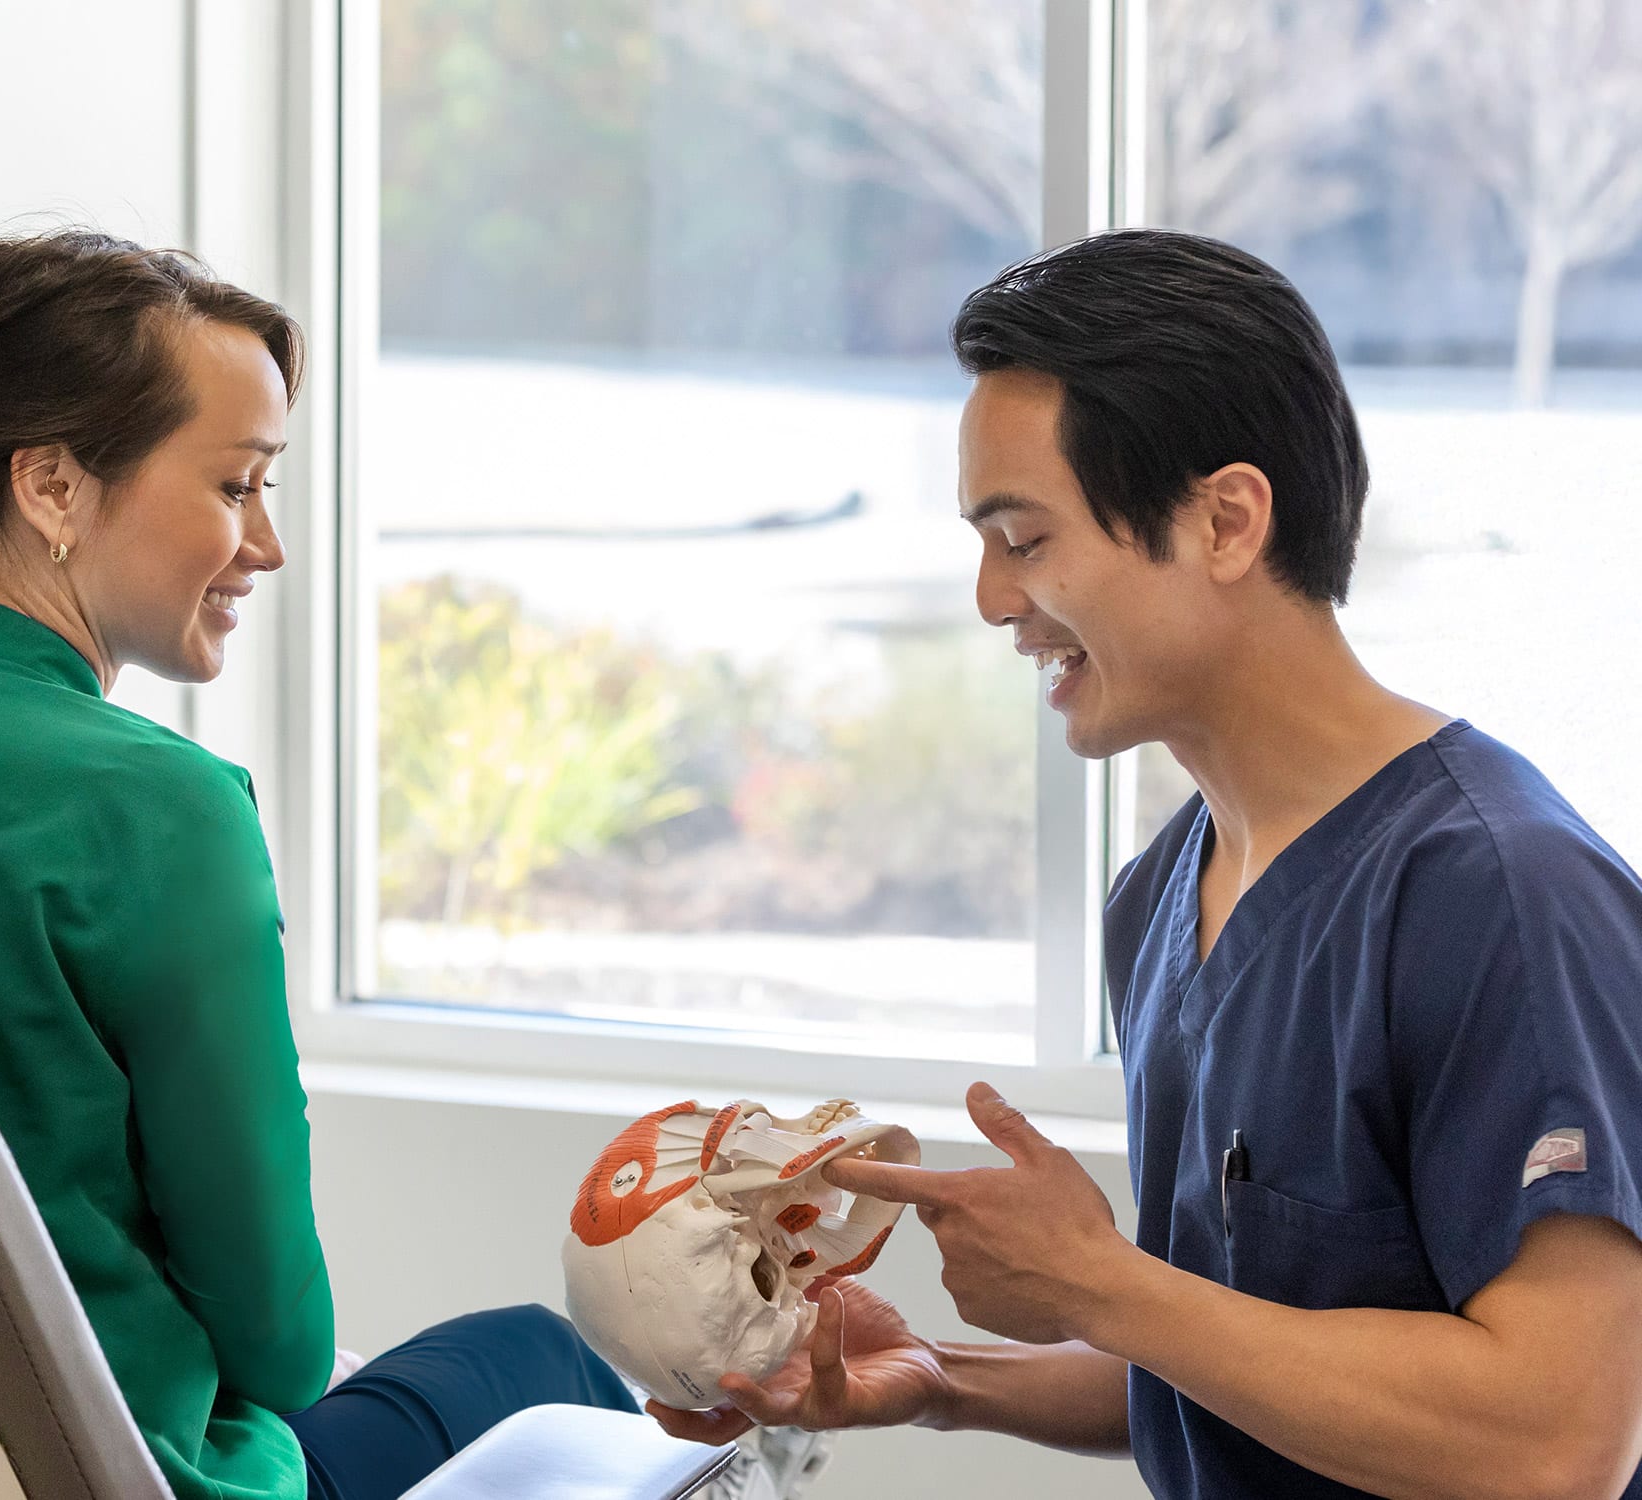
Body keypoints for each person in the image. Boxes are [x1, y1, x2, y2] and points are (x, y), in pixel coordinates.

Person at [651, 229, 1642, 1498]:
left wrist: (1097, 1283)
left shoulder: (1501, 895)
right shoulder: (1161, 896)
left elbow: (1553, 1442)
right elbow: (1237, 1364)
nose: (990, 600)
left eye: (1024, 539)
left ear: (1224, 520)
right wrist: (944, 1382)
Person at [0, 223, 636, 1500]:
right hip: (131, 1474)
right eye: (235, 485)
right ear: (51, 487)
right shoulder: (164, 806)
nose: (263, 546)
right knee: (539, 1356)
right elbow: (282, 1344)